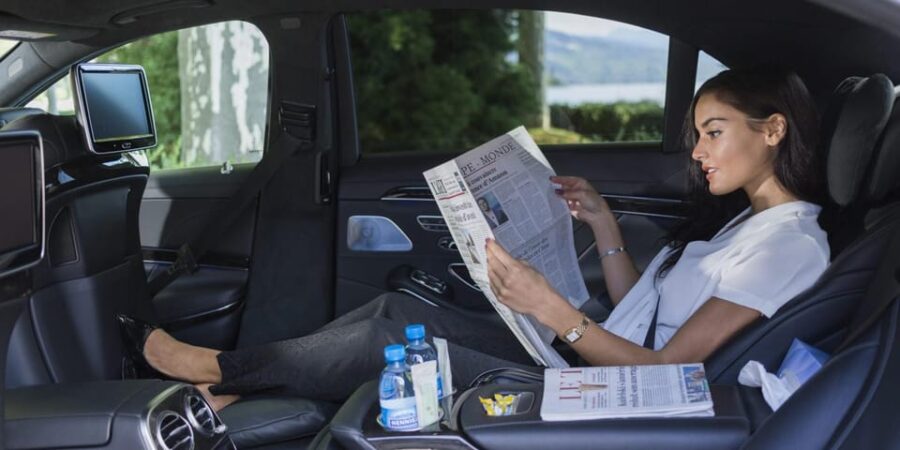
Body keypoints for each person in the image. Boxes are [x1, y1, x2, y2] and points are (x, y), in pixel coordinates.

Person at [121, 67, 829, 411]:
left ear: (774, 130)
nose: (700, 152)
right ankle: (240, 383)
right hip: (598, 356)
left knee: (386, 345)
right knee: (395, 315)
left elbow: (668, 370)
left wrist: (552, 310)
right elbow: (644, 308)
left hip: (607, 389)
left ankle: (212, 367)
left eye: (714, 133)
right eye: (697, 136)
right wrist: (604, 226)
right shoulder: (746, 224)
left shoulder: (791, 245)